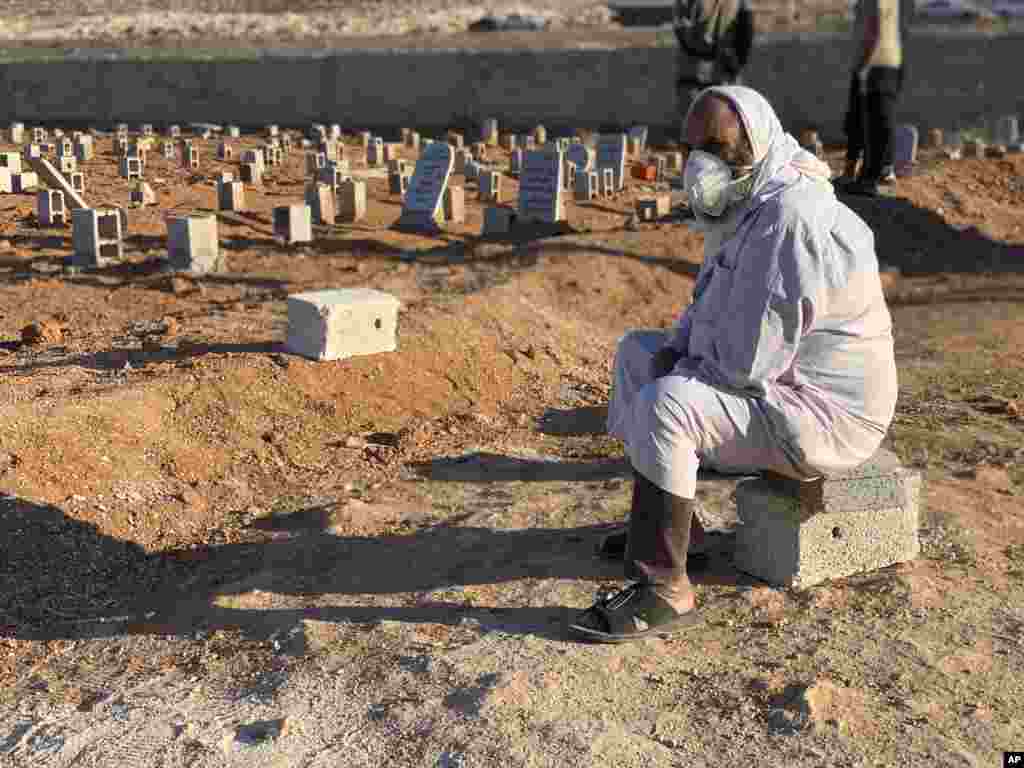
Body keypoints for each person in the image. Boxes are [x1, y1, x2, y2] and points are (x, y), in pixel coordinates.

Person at [570, 86, 898, 643]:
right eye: (695, 148)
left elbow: (745, 362)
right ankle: (681, 532)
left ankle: (665, 586)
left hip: (825, 416)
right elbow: (713, 311)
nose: (703, 165)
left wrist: (682, 364)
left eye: (719, 148)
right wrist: (675, 350)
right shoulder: (755, 204)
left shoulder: (793, 221)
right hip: (782, 384)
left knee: (669, 404)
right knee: (638, 354)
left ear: (757, 141)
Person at [838, 0, 913, 196]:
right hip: (888, 60)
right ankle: (873, 174)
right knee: (877, 119)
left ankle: (871, 178)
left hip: (876, 61)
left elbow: (873, 29)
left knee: (876, 121)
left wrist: (863, 64)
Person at [673, 0, 755, 139]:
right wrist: (737, 61)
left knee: (698, 138)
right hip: (716, 77)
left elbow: (682, 32)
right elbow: (747, 27)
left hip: (700, 76)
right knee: (723, 138)